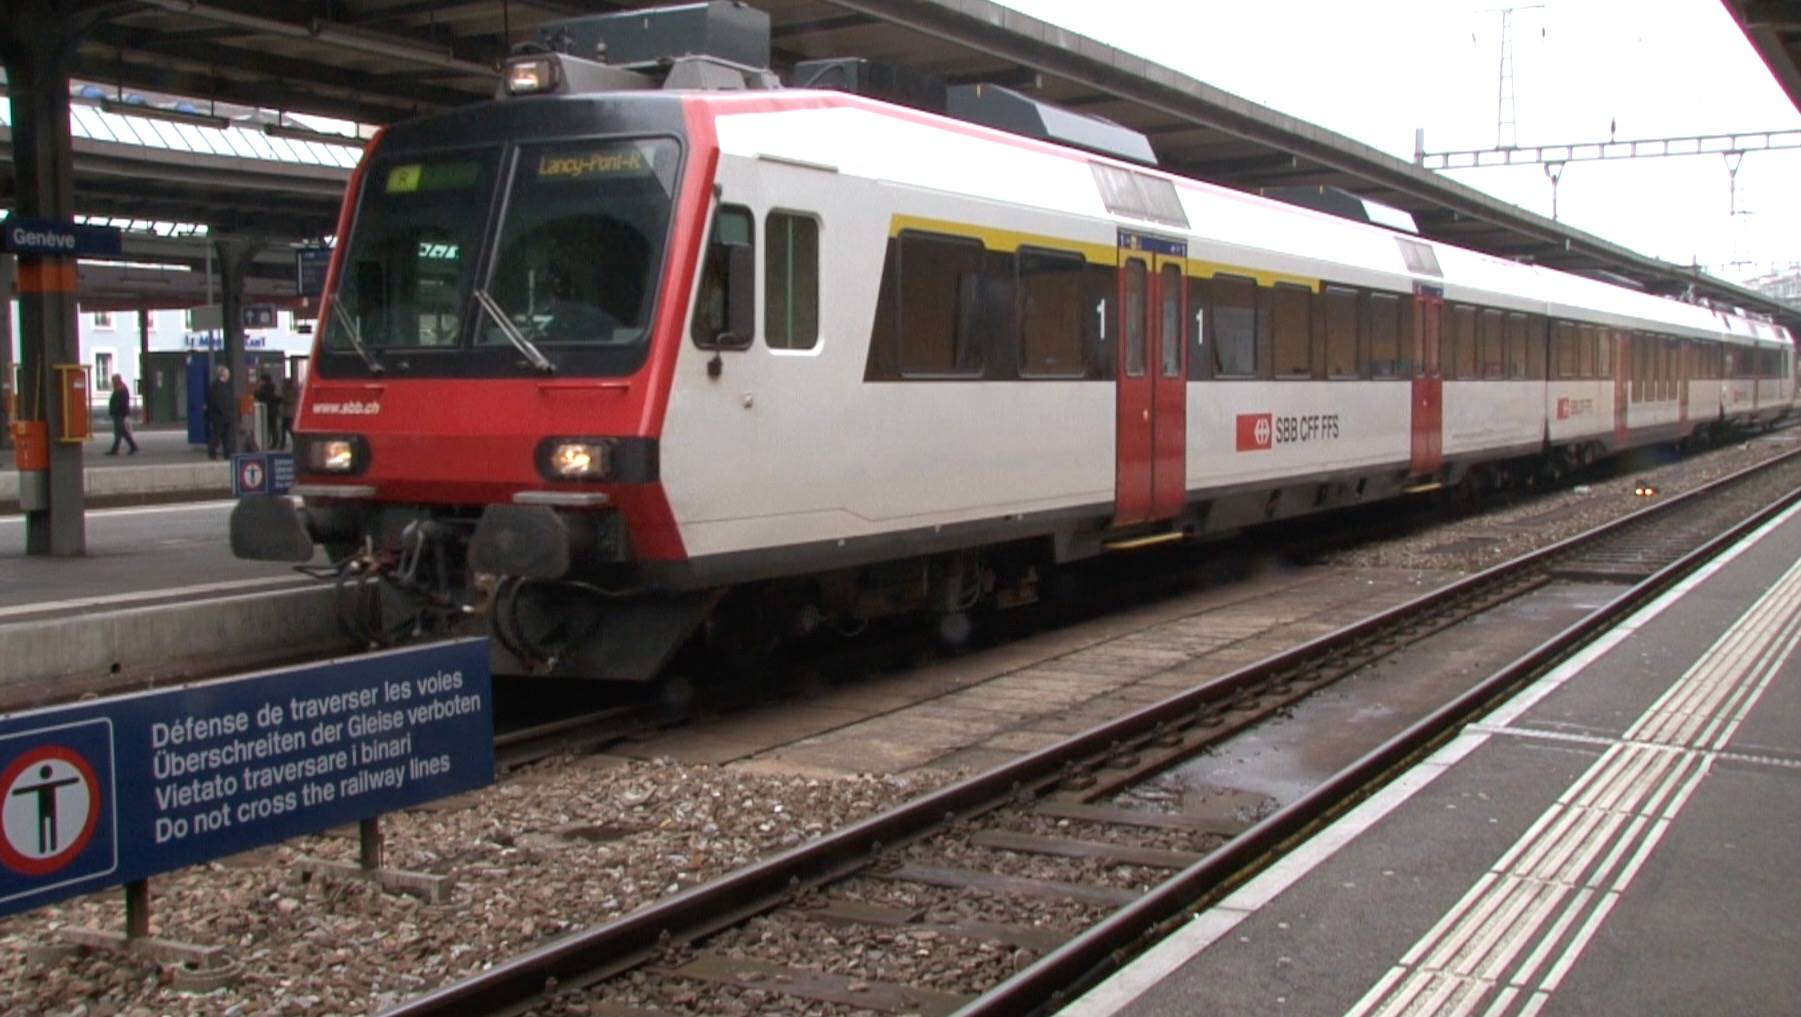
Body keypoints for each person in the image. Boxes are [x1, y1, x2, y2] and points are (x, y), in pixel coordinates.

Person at [205, 364, 237, 459]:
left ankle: (227, 452)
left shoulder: (221, 386)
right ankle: (213, 452)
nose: (229, 376)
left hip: (224, 416)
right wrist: (227, 413)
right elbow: (218, 402)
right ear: (223, 375)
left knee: (226, 436)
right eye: (227, 374)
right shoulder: (217, 387)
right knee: (217, 435)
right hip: (220, 416)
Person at [105, 374, 138, 455]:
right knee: (118, 432)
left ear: (117, 380)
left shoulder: (121, 389)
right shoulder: (120, 388)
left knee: (122, 431)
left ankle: (133, 446)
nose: (112, 382)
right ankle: (115, 449)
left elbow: (122, 403)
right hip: (118, 413)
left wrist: (117, 410)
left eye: (113, 380)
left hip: (119, 413)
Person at [253, 372, 279, 451]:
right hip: (273, 410)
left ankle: (268, 442)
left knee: (267, 427)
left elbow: (258, 395)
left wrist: (257, 390)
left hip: (266, 410)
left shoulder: (263, 389)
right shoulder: (273, 388)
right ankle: (275, 442)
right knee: (274, 427)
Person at [279, 377, 299, 451]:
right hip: (287, 414)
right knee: (284, 429)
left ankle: (294, 443)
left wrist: (283, 399)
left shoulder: (291, 391)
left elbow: (290, 400)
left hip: (289, 414)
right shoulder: (287, 391)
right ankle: (283, 444)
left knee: (288, 429)